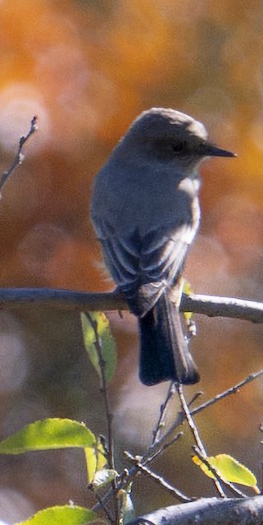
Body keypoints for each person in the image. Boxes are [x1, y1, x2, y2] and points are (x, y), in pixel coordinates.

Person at [91, 108, 234, 386]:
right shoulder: (182, 192)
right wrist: (154, 285)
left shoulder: (107, 183)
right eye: (180, 148)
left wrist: (132, 284)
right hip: (165, 274)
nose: (200, 154)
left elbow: (115, 244)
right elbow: (169, 253)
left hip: (130, 276)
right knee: (157, 298)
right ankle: (169, 353)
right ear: (150, 148)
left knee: (147, 296)